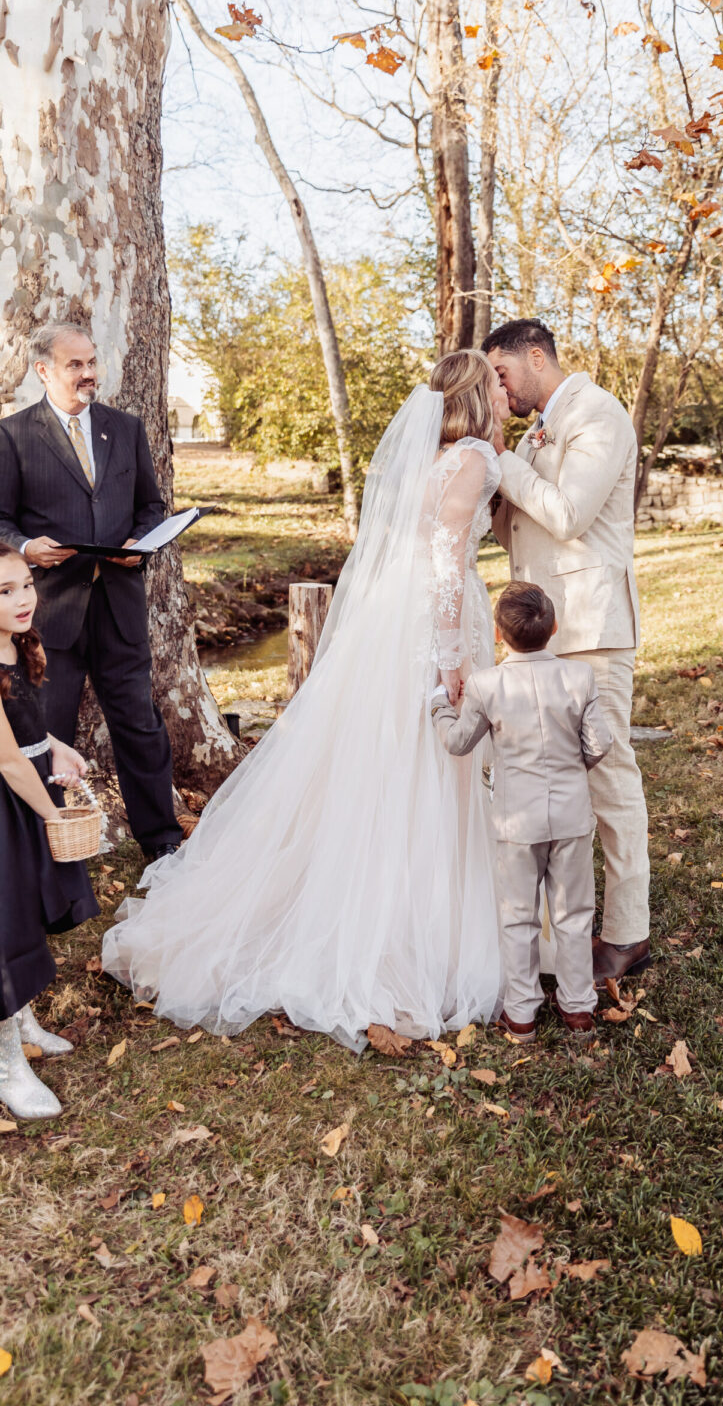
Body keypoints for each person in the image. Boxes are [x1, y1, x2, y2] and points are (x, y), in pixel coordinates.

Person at [103, 352, 511, 1051]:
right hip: (432, 623)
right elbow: (446, 558)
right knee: (425, 758)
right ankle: (404, 934)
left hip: (400, 617)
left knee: (387, 765)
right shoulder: (470, 456)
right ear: (477, 394)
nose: (507, 393)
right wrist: (453, 659)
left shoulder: (434, 458)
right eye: (497, 384)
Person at [483, 319, 649, 988]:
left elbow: (569, 513)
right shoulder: (534, 430)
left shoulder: (598, 413)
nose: (500, 386)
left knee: (608, 777)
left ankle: (629, 931)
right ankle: (556, 921)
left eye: (501, 373)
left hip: (591, 629)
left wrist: (506, 463)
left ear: (534, 356)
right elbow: (516, 524)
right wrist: (492, 470)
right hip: (541, 630)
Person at [0, 323, 181, 860]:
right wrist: (27, 548)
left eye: (91, 362)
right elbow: (0, 519)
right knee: (43, 735)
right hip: (47, 614)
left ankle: (164, 845)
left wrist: (140, 542)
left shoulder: (124, 427)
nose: (88, 374)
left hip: (119, 607)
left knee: (140, 727)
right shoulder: (11, 436)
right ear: (44, 371)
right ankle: (46, 850)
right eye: (75, 364)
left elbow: (152, 504)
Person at [432, 581, 612, 1040]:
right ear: (554, 628)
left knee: (518, 916)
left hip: (516, 822)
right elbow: (600, 744)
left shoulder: (486, 685)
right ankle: (577, 1010)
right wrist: (573, 769)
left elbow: (457, 742)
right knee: (574, 914)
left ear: (497, 633)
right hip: (571, 816)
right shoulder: (580, 677)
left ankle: (522, 1013)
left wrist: (439, 705)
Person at [0, 543, 97, 1120]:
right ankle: (8, 1062)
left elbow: (28, 730)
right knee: (6, 923)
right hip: (11, 803)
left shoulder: (20, 646)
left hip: (31, 790)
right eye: (4, 592)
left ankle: (26, 1022)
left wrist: (60, 747)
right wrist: (52, 815)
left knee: (31, 909)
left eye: (26, 585)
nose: (23, 600)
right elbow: (8, 761)